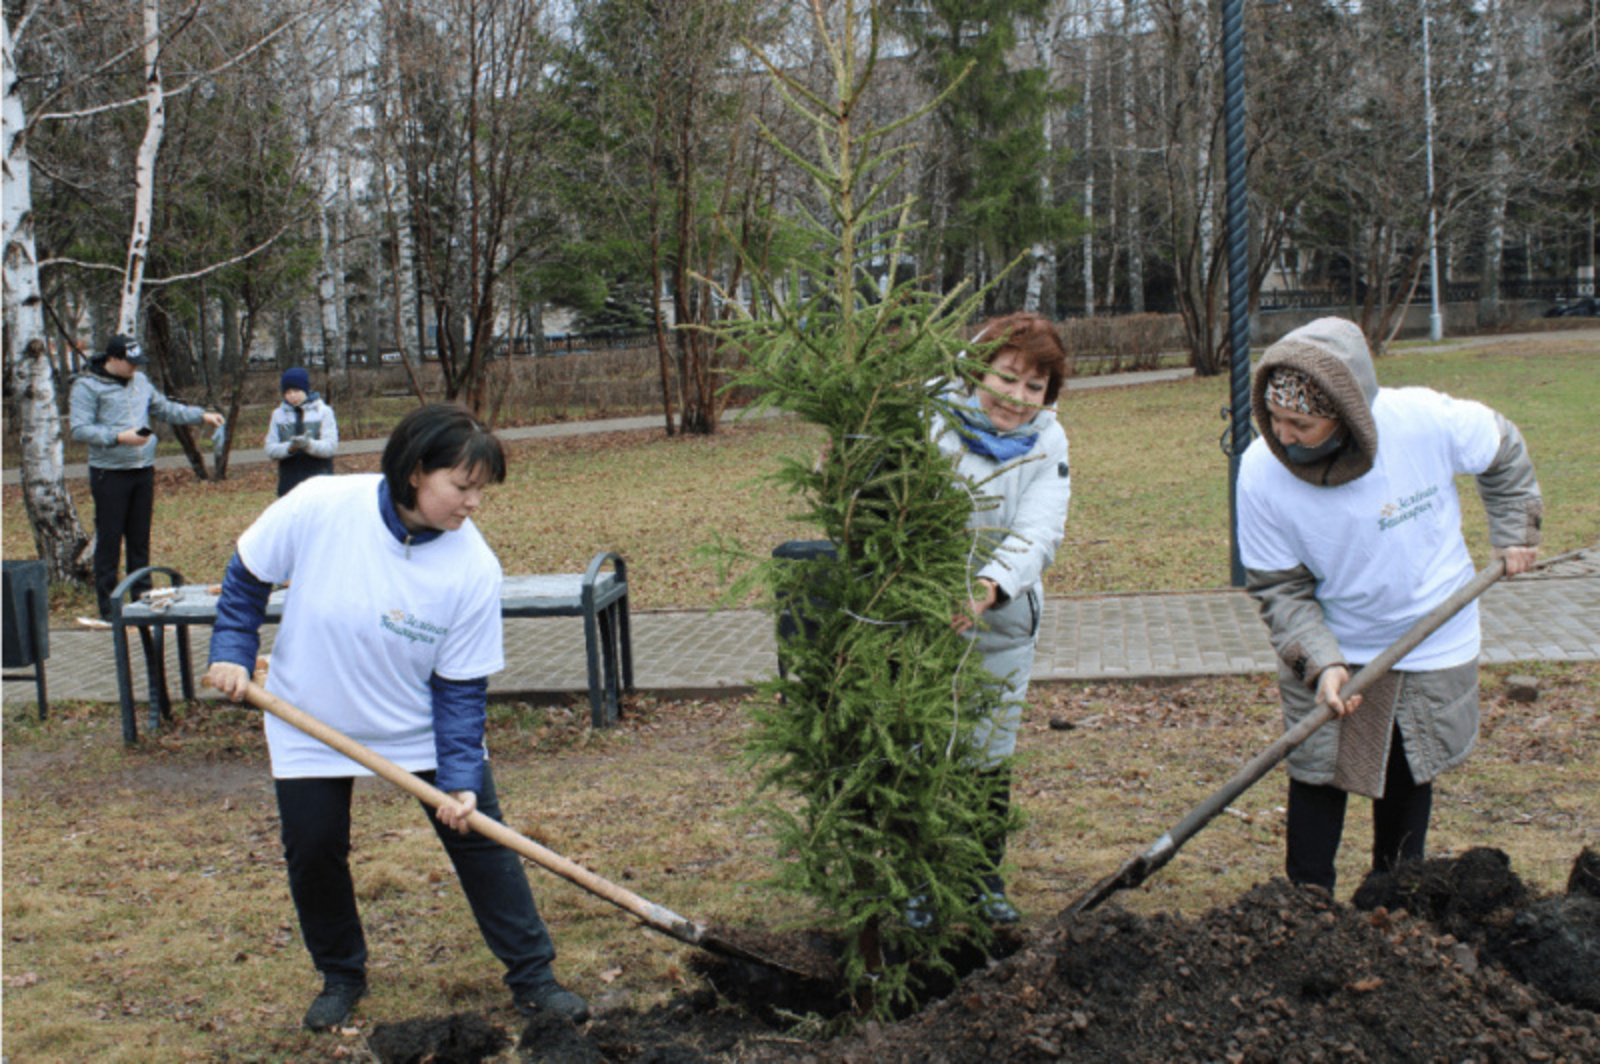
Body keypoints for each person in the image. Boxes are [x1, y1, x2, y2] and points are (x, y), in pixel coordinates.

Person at [204, 403, 589, 1032]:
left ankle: (535, 978)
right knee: (314, 849)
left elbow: (461, 688)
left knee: (482, 842)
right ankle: (341, 976)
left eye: (480, 491)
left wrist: (461, 778)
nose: (473, 504)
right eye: (461, 487)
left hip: (418, 727)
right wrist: (231, 654)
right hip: (308, 717)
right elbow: (247, 578)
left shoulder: (472, 567)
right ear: (416, 473)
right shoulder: (321, 505)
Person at [1236, 317, 1542, 895]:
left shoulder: (1423, 421)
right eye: (1274, 419)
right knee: (1318, 770)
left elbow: (1503, 448)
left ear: (1348, 416)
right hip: (1337, 638)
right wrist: (1322, 663)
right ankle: (1305, 906)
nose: (1283, 436)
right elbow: (1281, 589)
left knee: (1408, 769)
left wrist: (1515, 532)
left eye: (1300, 423)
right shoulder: (1260, 473)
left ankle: (1394, 899)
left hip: (1433, 635)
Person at [930, 311, 1073, 925]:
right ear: (977, 369)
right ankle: (920, 882)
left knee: (988, 755)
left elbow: (1040, 528)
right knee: (923, 751)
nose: (1017, 398)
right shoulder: (929, 421)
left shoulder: (1048, 440)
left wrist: (990, 586)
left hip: (1002, 622)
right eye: (1007, 378)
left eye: (1033, 387)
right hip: (922, 618)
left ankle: (983, 882)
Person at [68, 334, 225, 621]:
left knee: (139, 540)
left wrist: (201, 415)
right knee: (110, 541)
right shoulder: (87, 386)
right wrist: (118, 437)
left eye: (138, 363)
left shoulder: (140, 382)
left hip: (142, 470)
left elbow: (164, 408)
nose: (135, 369)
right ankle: (108, 610)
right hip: (109, 473)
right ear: (112, 360)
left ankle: (141, 602)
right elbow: (79, 429)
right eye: (130, 364)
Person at [265, 366, 339, 496]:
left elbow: (330, 446)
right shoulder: (278, 415)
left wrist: (308, 445)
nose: (292, 396)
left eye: (296, 390)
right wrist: (290, 448)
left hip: (320, 482)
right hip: (289, 484)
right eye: (287, 392)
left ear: (305, 389)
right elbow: (270, 449)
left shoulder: (323, 412)